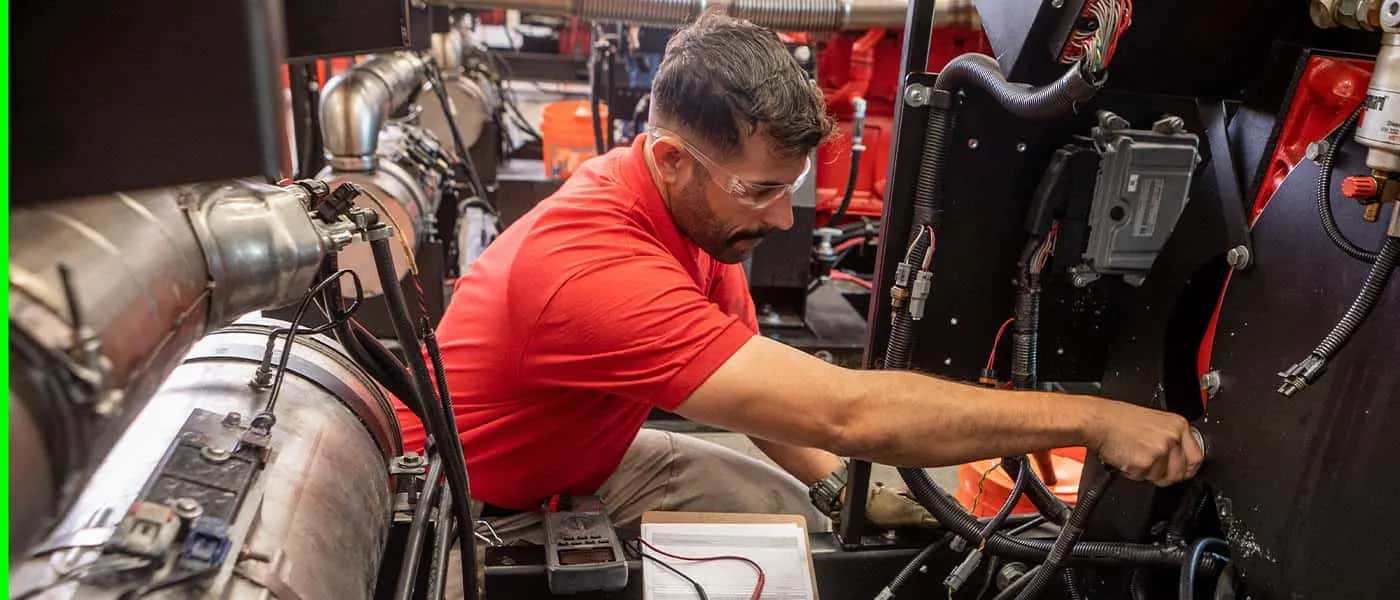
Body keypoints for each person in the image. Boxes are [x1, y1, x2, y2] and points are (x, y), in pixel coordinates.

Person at [398, 11, 1203, 544]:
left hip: (585, 457)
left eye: (789, 187)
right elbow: (844, 412)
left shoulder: (682, 212)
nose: (785, 220)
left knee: (805, 521)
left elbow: (772, 396)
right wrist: (1094, 420)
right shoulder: (590, 269)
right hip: (470, 507)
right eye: (759, 191)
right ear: (672, 159)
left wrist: (841, 495)